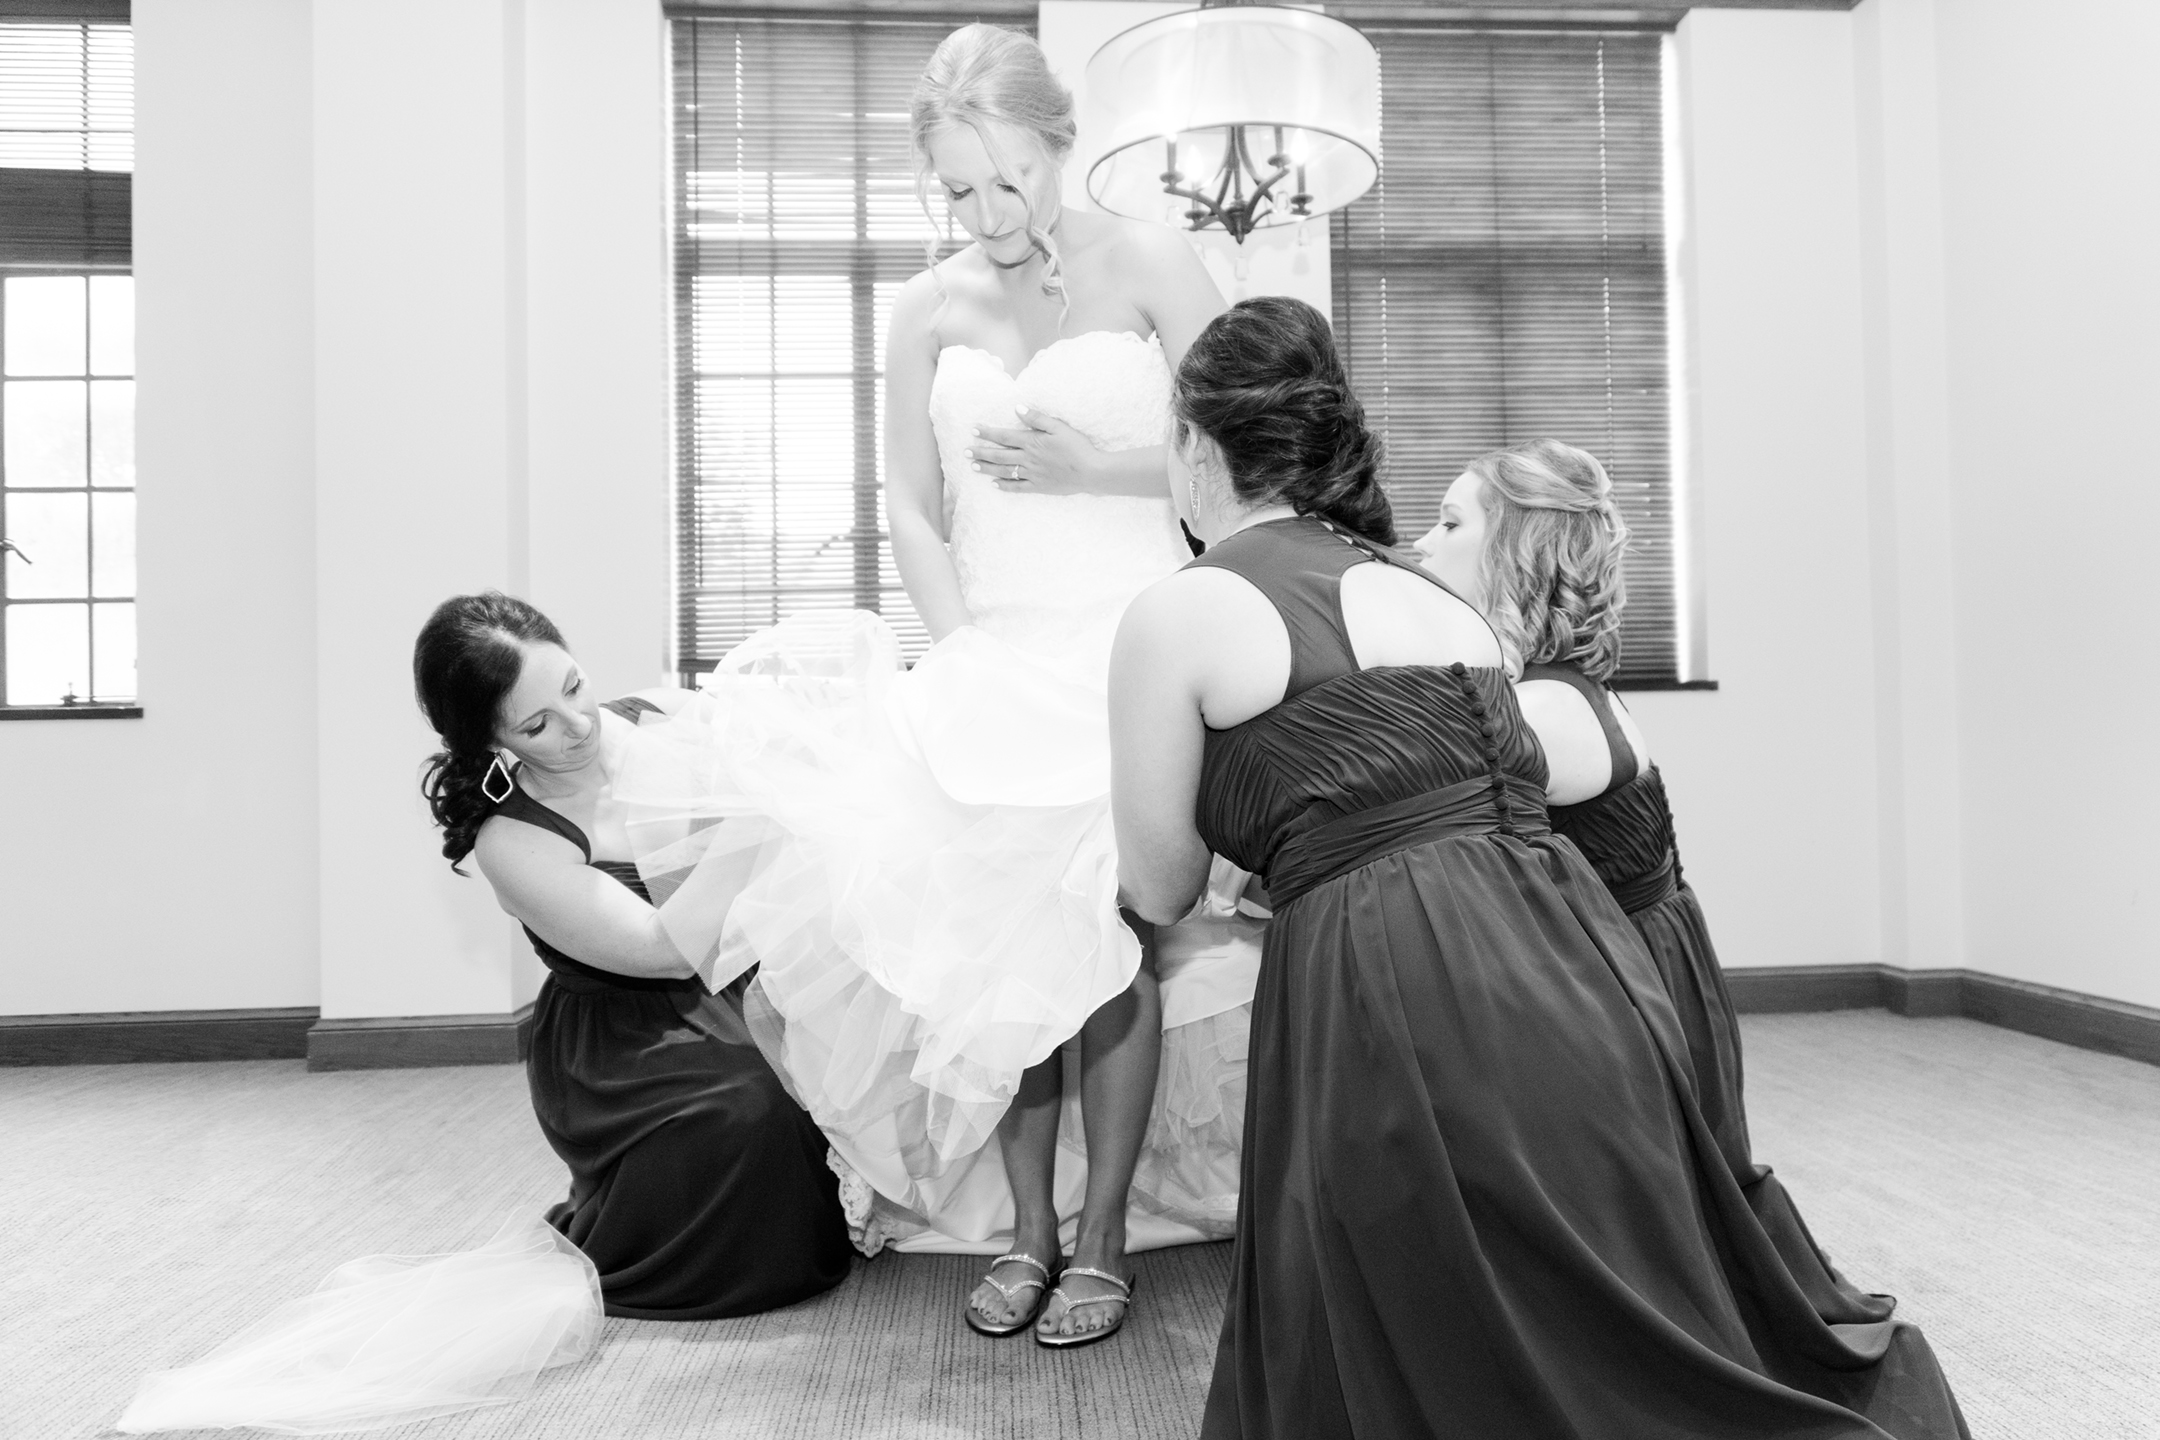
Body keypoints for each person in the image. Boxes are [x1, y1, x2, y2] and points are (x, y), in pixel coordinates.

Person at [1109, 296, 1967, 1437]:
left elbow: (1159, 888)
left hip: (1388, 985)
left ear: (1192, 443)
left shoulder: (1177, 614)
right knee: (1573, 1320)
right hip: (1578, 965)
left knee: (1424, 1313)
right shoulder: (1439, 602)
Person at [613, 23, 1254, 1348]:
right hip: (992, 653)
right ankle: (1027, 1231)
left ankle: (1102, 1236)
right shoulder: (926, 307)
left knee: (1113, 950)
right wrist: (958, 640)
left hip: (1132, 651)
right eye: (959, 189)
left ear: (1061, 144)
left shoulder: (1151, 260)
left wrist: (1094, 471)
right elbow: (910, 499)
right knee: (1001, 955)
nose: (989, 213)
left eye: (1011, 178)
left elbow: (1249, 450)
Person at [1414, 437, 1899, 1326]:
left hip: (1626, 989)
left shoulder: (1541, 711)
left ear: (1515, 549)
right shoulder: (1553, 690)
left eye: (1448, 524)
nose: (1419, 543)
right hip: (1645, 966)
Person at [413, 592, 853, 1320]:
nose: (578, 724)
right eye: (537, 725)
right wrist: (759, 812)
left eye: (574, 686)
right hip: (626, 1033)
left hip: (739, 970)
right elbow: (664, 952)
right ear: (491, 741)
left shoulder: (658, 716)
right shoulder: (513, 841)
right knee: (752, 1108)